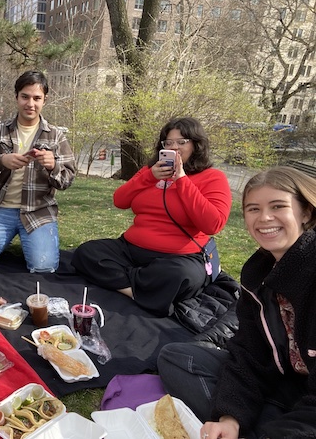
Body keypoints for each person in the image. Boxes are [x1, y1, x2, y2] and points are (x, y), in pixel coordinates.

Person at [157, 166, 316, 439]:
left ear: (306, 213)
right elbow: (250, 352)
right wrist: (229, 416)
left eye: (278, 206)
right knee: (177, 357)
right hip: (287, 382)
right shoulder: (258, 274)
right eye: (253, 209)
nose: (264, 218)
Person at [72, 117, 232, 317]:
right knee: (87, 252)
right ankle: (140, 290)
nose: (174, 147)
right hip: (131, 250)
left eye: (181, 142)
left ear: (196, 145)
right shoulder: (150, 171)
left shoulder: (213, 177)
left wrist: (182, 180)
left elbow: (213, 224)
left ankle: (129, 281)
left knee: (182, 277)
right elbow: (119, 200)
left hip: (178, 258)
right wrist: (149, 177)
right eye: (168, 143)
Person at [0, 70, 76, 273]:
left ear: (44, 100)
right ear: (16, 97)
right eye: (25, 97)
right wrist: (1, 161)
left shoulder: (56, 136)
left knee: (43, 268)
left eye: (37, 98)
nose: (31, 104)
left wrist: (53, 165)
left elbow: (67, 179)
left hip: (38, 212)